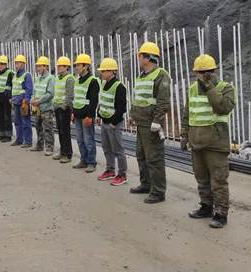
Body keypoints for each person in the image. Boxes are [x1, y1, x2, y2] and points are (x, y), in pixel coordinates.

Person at [181, 54, 235, 228]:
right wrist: (184, 134)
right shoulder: (192, 89)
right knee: (202, 178)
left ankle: (221, 213)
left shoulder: (225, 88)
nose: (204, 75)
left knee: (218, 180)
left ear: (214, 71)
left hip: (216, 144)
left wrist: (210, 87)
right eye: (201, 72)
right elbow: (188, 113)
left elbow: (222, 108)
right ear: (196, 73)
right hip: (197, 142)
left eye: (208, 72)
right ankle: (206, 206)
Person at [129, 42, 171, 204]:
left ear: (147, 57)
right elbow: (138, 98)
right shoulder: (142, 76)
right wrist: (133, 115)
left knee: (154, 158)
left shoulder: (161, 75)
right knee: (141, 155)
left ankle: (158, 191)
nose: (138, 58)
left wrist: (157, 121)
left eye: (140, 56)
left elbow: (163, 101)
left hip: (151, 124)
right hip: (141, 123)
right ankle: (146, 184)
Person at [97, 58, 128, 186]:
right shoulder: (104, 84)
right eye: (102, 71)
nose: (102, 73)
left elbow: (121, 108)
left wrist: (113, 123)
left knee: (118, 150)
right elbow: (102, 101)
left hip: (114, 124)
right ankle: (110, 170)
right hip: (105, 121)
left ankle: (122, 174)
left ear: (112, 71)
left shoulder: (119, 87)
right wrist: (98, 115)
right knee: (107, 148)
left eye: (104, 71)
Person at [72, 54, 100, 173]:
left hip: (86, 116)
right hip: (77, 114)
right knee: (80, 139)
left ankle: (91, 162)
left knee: (89, 140)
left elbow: (93, 101)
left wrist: (89, 116)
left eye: (78, 65)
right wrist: (73, 112)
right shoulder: (77, 80)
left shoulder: (93, 81)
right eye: (76, 65)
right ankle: (83, 160)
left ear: (86, 66)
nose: (76, 67)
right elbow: (76, 98)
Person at [30, 56, 55, 155]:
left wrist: (39, 101)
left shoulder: (51, 78)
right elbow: (35, 91)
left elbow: (50, 94)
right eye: (37, 66)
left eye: (40, 66)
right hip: (37, 108)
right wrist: (32, 99)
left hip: (46, 108)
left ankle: (49, 147)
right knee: (38, 126)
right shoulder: (37, 78)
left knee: (48, 128)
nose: (38, 68)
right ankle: (39, 145)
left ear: (45, 66)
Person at [52, 56, 75, 163]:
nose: (59, 68)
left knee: (65, 132)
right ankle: (62, 151)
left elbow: (70, 96)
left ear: (66, 67)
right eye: (58, 66)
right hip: (57, 108)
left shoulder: (69, 79)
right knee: (60, 131)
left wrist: (64, 106)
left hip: (65, 109)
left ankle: (68, 154)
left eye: (61, 66)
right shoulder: (57, 78)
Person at [10, 55, 33, 147]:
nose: (16, 65)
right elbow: (14, 88)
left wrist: (26, 101)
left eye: (18, 63)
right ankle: (19, 139)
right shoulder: (15, 75)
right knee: (17, 122)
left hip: (23, 102)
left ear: (23, 64)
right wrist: (12, 99)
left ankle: (28, 141)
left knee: (25, 122)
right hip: (16, 102)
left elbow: (29, 89)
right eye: (15, 63)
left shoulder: (27, 75)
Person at [0, 55, 14, 142]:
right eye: (0, 64)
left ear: (6, 65)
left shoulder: (10, 73)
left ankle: (8, 135)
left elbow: (12, 85)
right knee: (0, 116)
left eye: (3, 64)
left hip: (6, 98)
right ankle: (1, 134)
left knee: (7, 116)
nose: (1, 66)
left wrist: (10, 96)